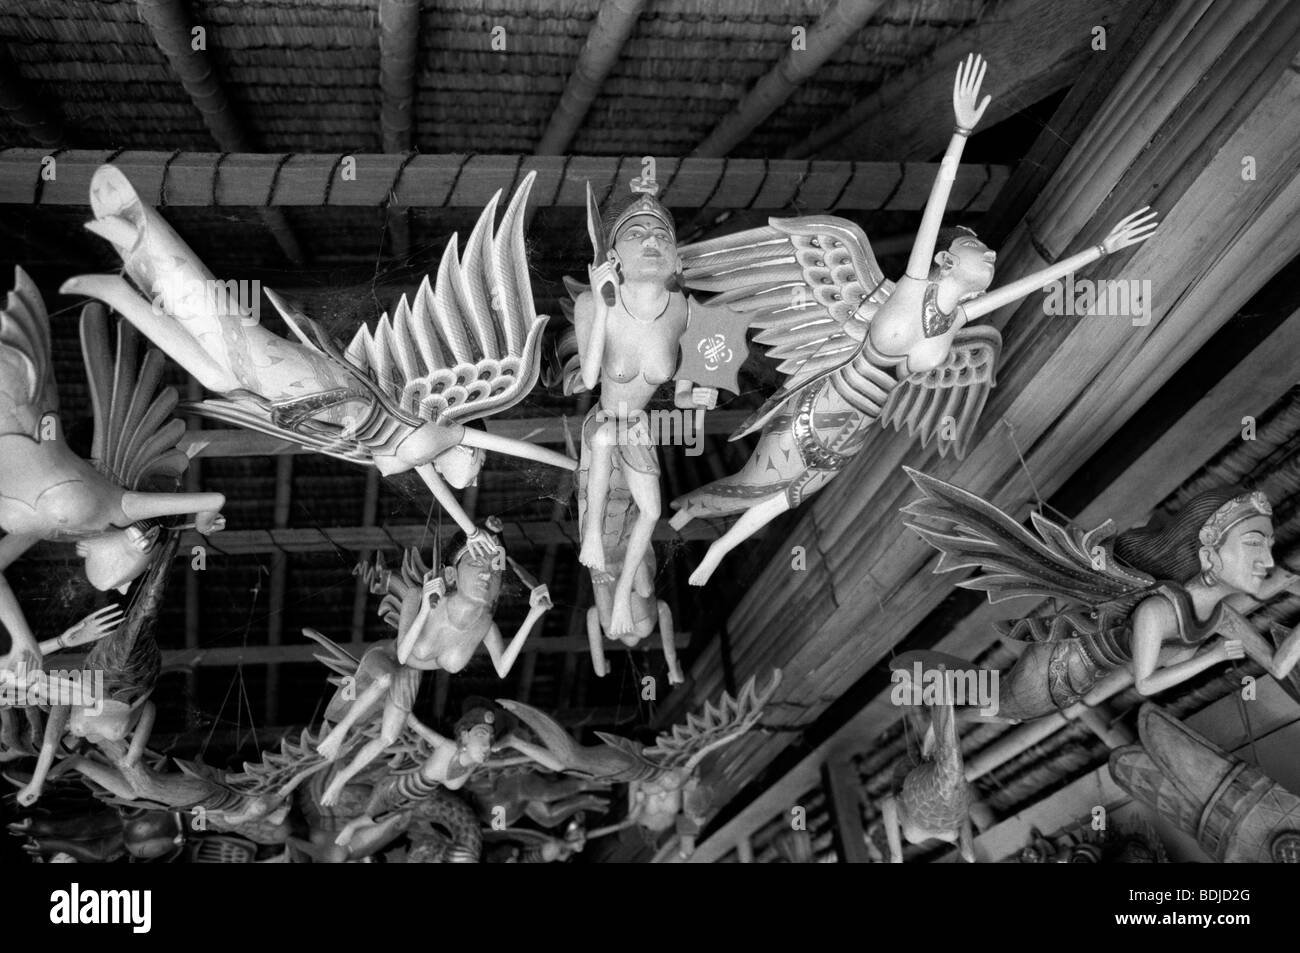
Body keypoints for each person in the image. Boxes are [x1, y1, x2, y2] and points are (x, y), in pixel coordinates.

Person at [670, 53, 1158, 586]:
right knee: (753, 483)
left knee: (786, 496)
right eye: (978, 248)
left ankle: (718, 549)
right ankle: (689, 510)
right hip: (822, 406)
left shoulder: (959, 319)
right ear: (945, 259)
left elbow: (1033, 285)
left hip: (856, 432)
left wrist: (1101, 250)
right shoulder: (910, 287)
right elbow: (936, 205)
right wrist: (961, 133)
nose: (992, 254)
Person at [316, 522, 550, 805]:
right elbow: (403, 654)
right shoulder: (420, 598)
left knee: (388, 738)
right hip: (387, 659)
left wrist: (533, 615)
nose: (486, 574)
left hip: (410, 675)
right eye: (476, 563)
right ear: (451, 573)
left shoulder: (486, 626)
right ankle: (339, 733)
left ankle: (341, 779)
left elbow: (502, 670)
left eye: (495, 570)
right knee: (384, 679)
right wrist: (426, 609)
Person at [573, 177, 717, 634]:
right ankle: (592, 537)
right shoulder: (591, 303)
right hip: (604, 418)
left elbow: (681, 393)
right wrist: (602, 305)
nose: (651, 241)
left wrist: (696, 399)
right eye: (636, 233)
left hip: (636, 424)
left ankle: (622, 599)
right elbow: (590, 379)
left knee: (652, 512)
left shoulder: (685, 311)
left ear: (677, 257)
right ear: (613, 256)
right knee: (602, 436)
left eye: (661, 234)